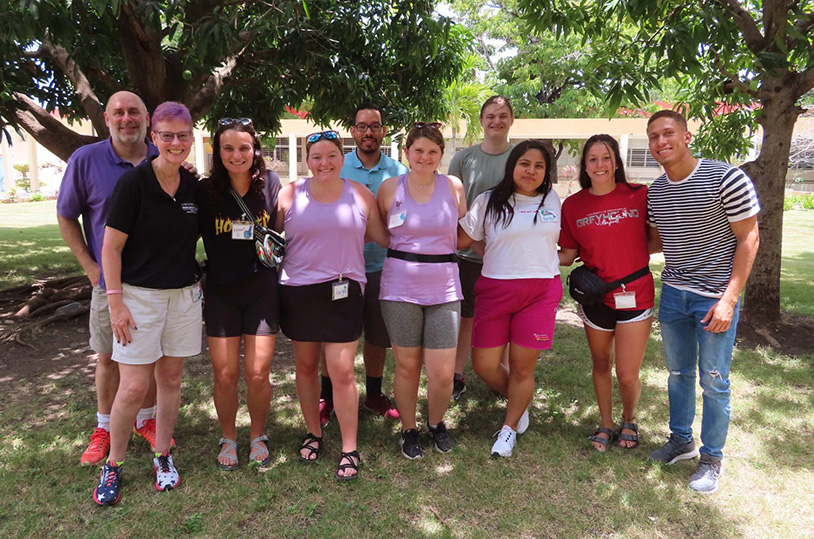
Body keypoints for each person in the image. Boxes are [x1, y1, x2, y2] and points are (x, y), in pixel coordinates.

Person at [93, 102, 202, 505]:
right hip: (138, 299)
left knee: (170, 379)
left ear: (192, 139)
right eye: (167, 135)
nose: (175, 143)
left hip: (184, 296)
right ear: (153, 138)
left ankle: (162, 455)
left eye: (183, 136)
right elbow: (111, 247)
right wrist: (115, 302)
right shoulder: (134, 184)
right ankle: (114, 464)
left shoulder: (193, 187)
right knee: (135, 386)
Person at [646, 110, 760, 493]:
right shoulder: (656, 192)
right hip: (674, 295)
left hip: (714, 298)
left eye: (668, 134)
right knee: (678, 375)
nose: (661, 142)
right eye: (654, 137)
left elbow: (749, 238)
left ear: (686, 136)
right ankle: (681, 441)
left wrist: (730, 299)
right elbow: (659, 240)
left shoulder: (726, 178)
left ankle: (712, 458)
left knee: (714, 381)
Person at [57, 91, 171, 467]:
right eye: (118, 113)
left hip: (156, 285)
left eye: (134, 112)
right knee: (107, 356)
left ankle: (146, 419)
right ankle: (104, 426)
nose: (127, 119)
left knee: (152, 358)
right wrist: (91, 268)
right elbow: (66, 215)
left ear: (148, 118)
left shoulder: (164, 158)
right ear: (106, 119)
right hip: (112, 286)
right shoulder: (86, 160)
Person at [275, 130, 389, 481]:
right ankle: (314, 432)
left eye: (331, 156)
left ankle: (350, 447)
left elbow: (382, 236)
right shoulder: (290, 193)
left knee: (341, 371)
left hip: (343, 291)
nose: (323, 163)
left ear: (343, 158)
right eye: (316, 157)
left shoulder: (360, 194)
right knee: (307, 367)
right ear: (307, 161)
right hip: (298, 292)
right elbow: (272, 233)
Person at [458, 140, 562, 457]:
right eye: (524, 163)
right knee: (484, 365)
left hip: (540, 292)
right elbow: (461, 238)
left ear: (546, 172)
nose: (531, 170)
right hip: (495, 289)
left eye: (539, 166)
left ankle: (509, 427)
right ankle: (521, 400)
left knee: (521, 368)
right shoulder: (489, 200)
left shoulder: (552, 199)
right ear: (512, 166)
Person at [558, 134, 655, 452]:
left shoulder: (639, 195)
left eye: (605, 157)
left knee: (627, 374)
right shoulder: (573, 206)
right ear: (584, 166)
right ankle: (605, 423)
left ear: (616, 162)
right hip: (596, 297)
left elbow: (656, 240)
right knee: (601, 363)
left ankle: (629, 419)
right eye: (592, 159)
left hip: (635, 293)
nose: (599, 165)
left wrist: (630, 259)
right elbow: (568, 255)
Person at [377, 122, 466, 459]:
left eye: (432, 151)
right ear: (407, 153)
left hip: (444, 287)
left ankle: (436, 422)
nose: (425, 157)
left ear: (441, 155)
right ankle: (409, 429)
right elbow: (382, 230)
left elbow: (463, 231)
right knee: (407, 366)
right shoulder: (389, 188)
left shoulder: (453, 186)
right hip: (399, 288)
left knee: (442, 373)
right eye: (418, 151)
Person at [197, 118, 281, 470]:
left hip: (261, 290)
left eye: (244, 147)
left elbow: (279, 234)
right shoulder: (203, 190)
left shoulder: (270, 185)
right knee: (226, 373)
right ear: (217, 152)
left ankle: (257, 435)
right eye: (228, 148)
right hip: (220, 293)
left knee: (259, 373)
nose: (236, 154)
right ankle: (229, 437)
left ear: (255, 150)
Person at [317, 102, 407, 427]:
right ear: (353, 131)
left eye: (375, 126)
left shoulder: (399, 172)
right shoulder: (337, 167)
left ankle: (373, 394)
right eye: (362, 126)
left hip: (384, 268)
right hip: (340, 269)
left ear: (383, 131)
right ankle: (326, 397)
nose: (368, 132)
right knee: (334, 334)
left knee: (377, 336)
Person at [448, 95, 515, 399]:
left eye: (502, 115)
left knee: (506, 318)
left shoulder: (521, 158)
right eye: (490, 116)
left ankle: (501, 375)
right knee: (465, 317)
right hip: (467, 256)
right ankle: (456, 375)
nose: (496, 121)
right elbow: (453, 211)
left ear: (511, 120)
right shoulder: (464, 159)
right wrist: (476, 245)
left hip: (510, 258)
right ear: (481, 121)